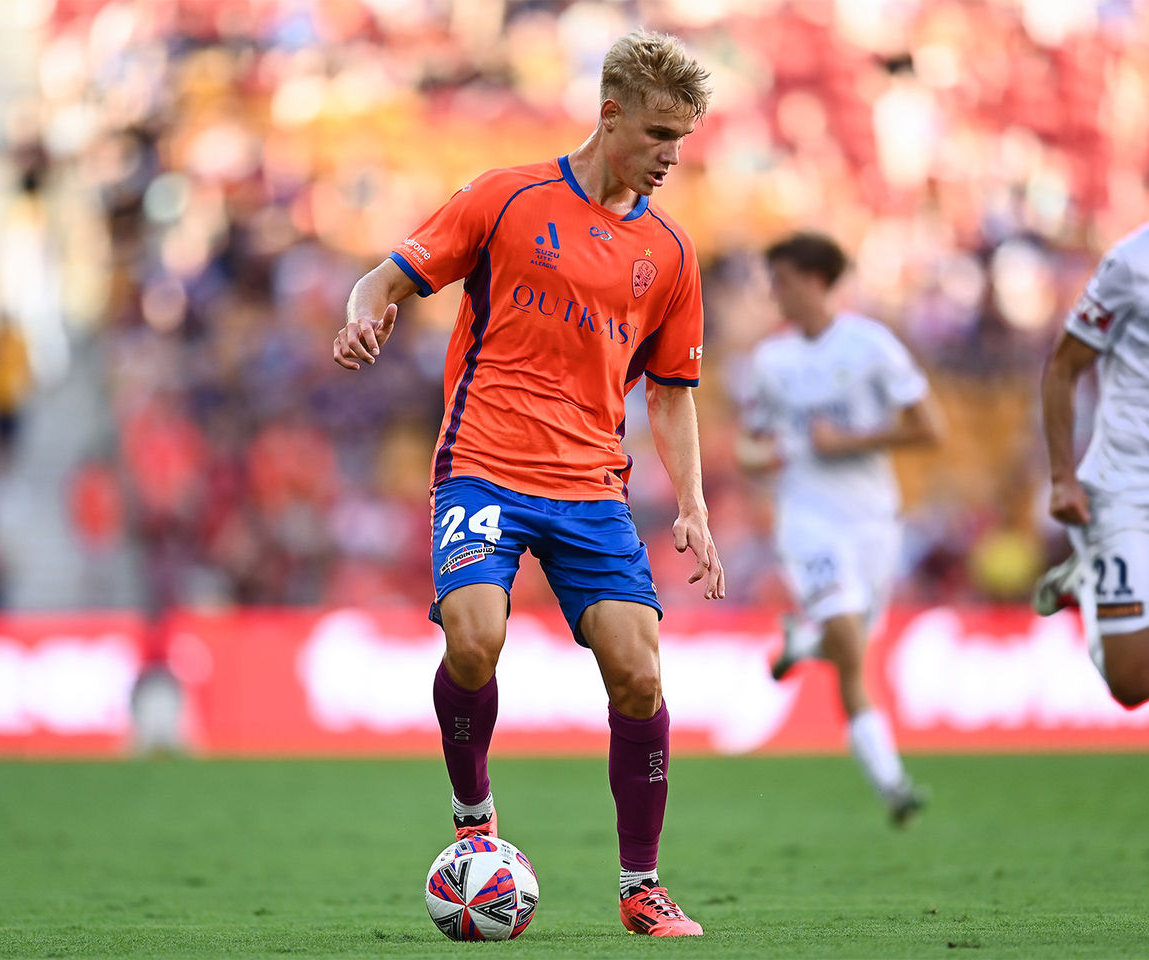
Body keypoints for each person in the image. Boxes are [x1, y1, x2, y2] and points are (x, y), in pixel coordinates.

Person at [333, 31, 724, 936]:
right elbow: (383, 280)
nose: (672, 154)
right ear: (611, 114)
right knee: (474, 640)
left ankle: (641, 887)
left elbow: (672, 396)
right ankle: (475, 819)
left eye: (684, 138)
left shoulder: (669, 253)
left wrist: (695, 507)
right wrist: (364, 318)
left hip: (591, 487)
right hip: (484, 466)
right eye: (660, 132)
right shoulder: (505, 198)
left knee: (638, 670)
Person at [1031, 118, 1149, 880]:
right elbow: (1063, 368)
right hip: (1127, 493)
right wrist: (1064, 477)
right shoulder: (1134, 263)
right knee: (1136, 689)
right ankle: (1087, 586)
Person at [736, 231, 943, 825]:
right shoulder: (770, 361)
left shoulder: (871, 345)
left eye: (782, 281)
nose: (774, 294)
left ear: (815, 280)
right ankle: (894, 784)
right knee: (850, 644)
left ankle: (804, 643)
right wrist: (765, 457)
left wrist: (850, 442)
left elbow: (932, 428)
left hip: (873, 519)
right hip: (808, 520)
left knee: (850, 649)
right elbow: (750, 447)